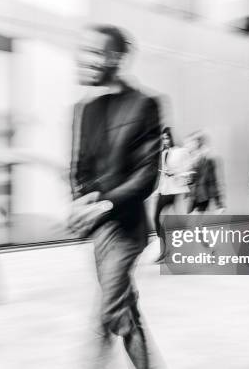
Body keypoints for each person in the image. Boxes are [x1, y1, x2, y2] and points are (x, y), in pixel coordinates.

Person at [69, 25, 162, 369]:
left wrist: (103, 204)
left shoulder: (145, 104)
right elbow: (78, 169)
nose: (87, 59)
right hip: (100, 230)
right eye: (85, 51)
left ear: (117, 58)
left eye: (96, 52)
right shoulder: (84, 109)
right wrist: (80, 202)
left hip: (127, 228)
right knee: (122, 306)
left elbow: (147, 175)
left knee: (111, 308)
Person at [153, 127, 192, 263]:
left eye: (167, 138)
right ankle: (164, 250)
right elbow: (162, 174)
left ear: (172, 138)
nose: (165, 141)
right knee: (156, 218)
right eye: (163, 138)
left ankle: (205, 247)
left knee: (183, 223)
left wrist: (176, 174)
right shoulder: (164, 153)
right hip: (164, 190)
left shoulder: (182, 152)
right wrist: (157, 190)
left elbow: (188, 172)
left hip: (176, 190)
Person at [185, 131, 224, 214]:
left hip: (202, 197)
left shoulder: (207, 160)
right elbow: (190, 181)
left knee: (194, 222)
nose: (187, 145)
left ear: (197, 143)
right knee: (191, 222)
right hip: (193, 197)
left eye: (190, 142)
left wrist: (219, 204)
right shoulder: (190, 160)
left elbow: (213, 182)